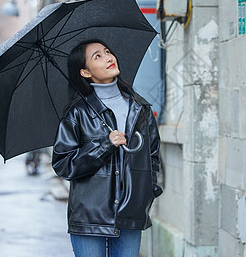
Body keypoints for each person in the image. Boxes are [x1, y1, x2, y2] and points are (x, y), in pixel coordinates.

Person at [52, 39, 163, 257]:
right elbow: (63, 164)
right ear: (85, 72)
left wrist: (147, 193)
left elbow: (153, 156)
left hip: (130, 212)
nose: (108, 57)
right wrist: (105, 146)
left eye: (107, 51)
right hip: (89, 215)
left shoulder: (140, 109)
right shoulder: (78, 113)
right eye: (98, 56)